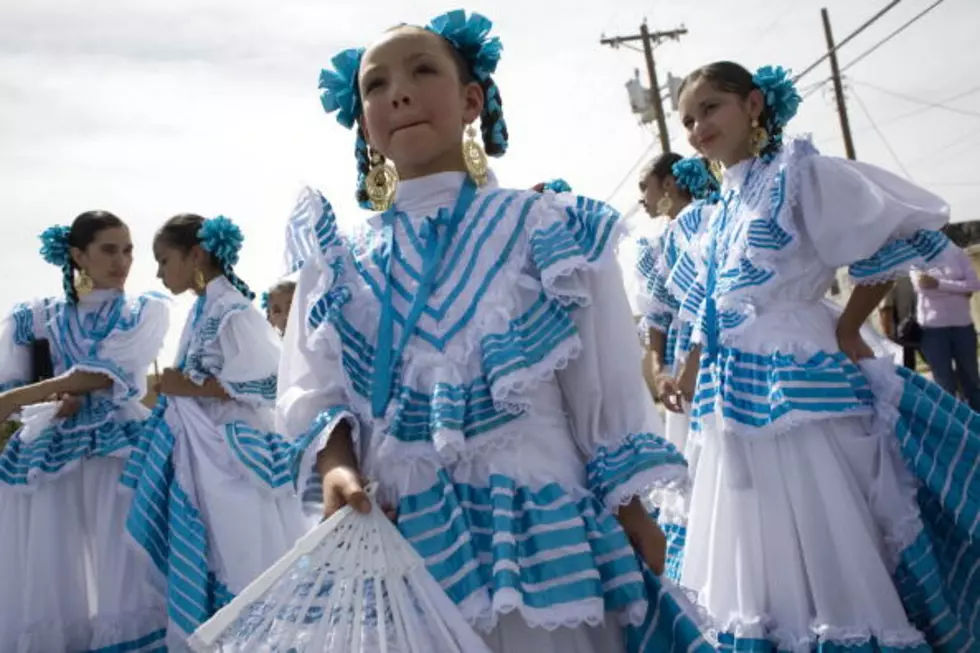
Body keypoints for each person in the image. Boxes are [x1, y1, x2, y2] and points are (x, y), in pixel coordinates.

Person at [269, 10, 709, 653]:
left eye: (423, 71)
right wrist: (338, 469)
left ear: (472, 99)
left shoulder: (543, 227)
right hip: (401, 528)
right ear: (365, 121)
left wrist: (630, 507)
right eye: (376, 85)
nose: (399, 91)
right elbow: (316, 389)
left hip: (539, 522)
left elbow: (602, 382)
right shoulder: (339, 262)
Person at [670, 61, 979, 650]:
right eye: (688, 119)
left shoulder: (798, 174)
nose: (697, 127)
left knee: (823, 516)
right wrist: (689, 363)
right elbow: (710, 301)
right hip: (731, 386)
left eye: (710, 108)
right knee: (753, 530)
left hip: (798, 372)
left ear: (753, 105)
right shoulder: (718, 210)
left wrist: (850, 329)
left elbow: (892, 232)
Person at [123, 213, 307, 646]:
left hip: (230, 452)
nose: (159, 272)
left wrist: (183, 384)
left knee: (237, 550)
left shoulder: (233, 311)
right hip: (204, 449)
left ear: (196, 254)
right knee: (212, 545)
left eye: (164, 259)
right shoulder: (206, 307)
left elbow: (267, 380)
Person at [0, 212, 169, 651]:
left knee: (123, 553)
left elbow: (104, 374)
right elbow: (10, 385)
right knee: (49, 560)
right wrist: (45, 403)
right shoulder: (36, 317)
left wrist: (28, 396)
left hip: (117, 441)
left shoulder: (142, 311)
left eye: (128, 249)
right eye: (109, 250)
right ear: (78, 255)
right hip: (50, 448)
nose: (123, 261)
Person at [633, 153, 718, 453]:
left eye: (645, 186)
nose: (641, 198)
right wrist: (659, 370)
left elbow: (713, 298)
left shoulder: (704, 223)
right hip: (680, 359)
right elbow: (656, 317)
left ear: (668, 184)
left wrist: (693, 364)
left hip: (711, 348)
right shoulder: (655, 247)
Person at [912, 242, 980, 410]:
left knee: (971, 378)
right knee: (944, 382)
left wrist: (939, 284)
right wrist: (958, 287)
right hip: (933, 329)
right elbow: (923, 286)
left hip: (963, 326)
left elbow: (974, 285)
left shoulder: (956, 252)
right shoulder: (915, 256)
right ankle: (954, 425)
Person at [878, 276, 918, 369]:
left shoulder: (890, 277)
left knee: (903, 366)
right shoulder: (910, 275)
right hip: (914, 328)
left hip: (898, 331)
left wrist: (888, 338)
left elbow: (886, 308)